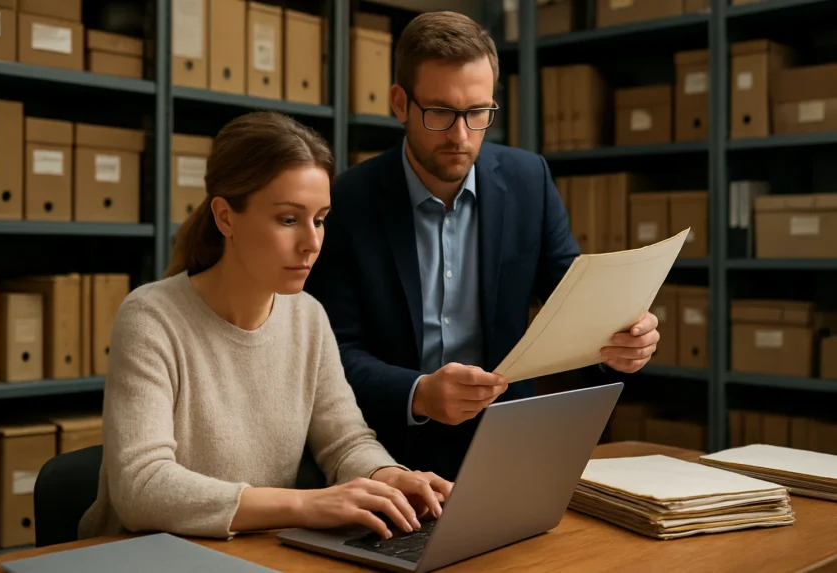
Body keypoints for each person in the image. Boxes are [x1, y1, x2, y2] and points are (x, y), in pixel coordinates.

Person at [304, 11, 660, 482]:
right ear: (399, 103)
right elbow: (333, 351)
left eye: (477, 112)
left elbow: (574, 301)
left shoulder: (528, 179)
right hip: (388, 453)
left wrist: (624, 339)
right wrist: (419, 392)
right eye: (440, 113)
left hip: (509, 444)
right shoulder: (348, 200)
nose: (460, 135)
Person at [77, 111, 453, 543]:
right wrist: (308, 505)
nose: (312, 242)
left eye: (320, 218)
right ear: (225, 217)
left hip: (254, 556)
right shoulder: (151, 317)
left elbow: (345, 441)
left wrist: (387, 477)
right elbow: (141, 487)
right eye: (289, 219)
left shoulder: (308, 316)